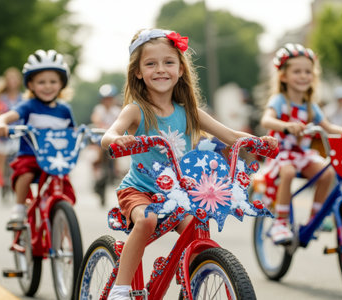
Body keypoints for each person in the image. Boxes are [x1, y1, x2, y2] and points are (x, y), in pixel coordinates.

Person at [100, 28, 278, 300]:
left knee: (198, 224)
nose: (161, 69)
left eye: (169, 62)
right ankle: (121, 289)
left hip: (177, 193)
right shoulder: (136, 109)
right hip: (140, 190)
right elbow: (108, 135)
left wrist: (259, 141)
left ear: (181, 69)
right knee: (146, 221)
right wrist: (116, 140)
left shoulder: (189, 112)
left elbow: (230, 136)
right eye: (151, 64)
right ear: (138, 72)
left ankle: (194, 280)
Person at [259, 43, 342, 244]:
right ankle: (280, 223)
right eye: (297, 71)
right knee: (288, 172)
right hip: (280, 153)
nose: (303, 76)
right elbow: (266, 120)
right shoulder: (280, 101)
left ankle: (314, 219)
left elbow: (328, 127)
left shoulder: (311, 107)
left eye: (308, 72)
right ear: (283, 76)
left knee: (327, 173)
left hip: (302, 155)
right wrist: (285, 125)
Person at [0, 49, 76, 223]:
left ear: (62, 84)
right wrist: (1, 124)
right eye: (41, 82)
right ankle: (19, 207)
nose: (47, 86)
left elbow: (72, 132)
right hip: (31, 156)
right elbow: (7, 116)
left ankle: (64, 225)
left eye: (53, 81)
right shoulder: (28, 105)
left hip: (56, 157)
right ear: (30, 85)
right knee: (26, 174)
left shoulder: (64, 110)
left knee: (64, 187)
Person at [0, 67, 24, 186]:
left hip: (18, 132)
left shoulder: (23, 98)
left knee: (20, 155)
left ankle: (16, 175)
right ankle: (1, 179)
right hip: (3, 132)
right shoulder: (0, 98)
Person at [90, 84, 121, 205]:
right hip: (101, 138)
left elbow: (120, 121)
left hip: (112, 139)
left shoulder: (116, 111)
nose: (107, 101)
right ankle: (96, 174)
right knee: (97, 153)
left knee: (117, 155)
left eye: (109, 98)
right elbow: (96, 119)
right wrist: (101, 125)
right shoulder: (99, 109)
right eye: (105, 99)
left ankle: (116, 170)